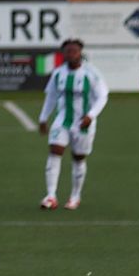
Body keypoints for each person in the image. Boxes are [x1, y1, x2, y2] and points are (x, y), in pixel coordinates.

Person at [38, 38, 108, 210]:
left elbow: (102, 96)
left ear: (80, 53)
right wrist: (43, 118)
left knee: (78, 158)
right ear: (63, 53)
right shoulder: (58, 73)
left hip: (83, 123)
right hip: (62, 121)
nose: (71, 54)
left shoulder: (91, 73)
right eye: (67, 51)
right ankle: (51, 196)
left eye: (74, 51)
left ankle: (75, 196)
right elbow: (51, 97)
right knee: (54, 152)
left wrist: (90, 116)